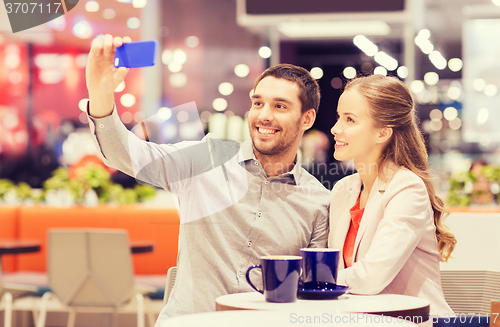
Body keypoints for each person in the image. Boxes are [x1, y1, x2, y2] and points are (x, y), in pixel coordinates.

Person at [85, 35, 329, 320]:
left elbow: (315, 293)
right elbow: (126, 155)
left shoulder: (317, 201)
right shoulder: (206, 159)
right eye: (258, 103)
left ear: (307, 119)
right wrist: (100, 93)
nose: (264, 115)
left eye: (280, 106)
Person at [328, 74, 456, 315]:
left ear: (382, 133)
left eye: (350, 119)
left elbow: (370, 279)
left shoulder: (407, 188)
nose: (336, 128)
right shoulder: (342, 191)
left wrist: (315, 278)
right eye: (338, 117)